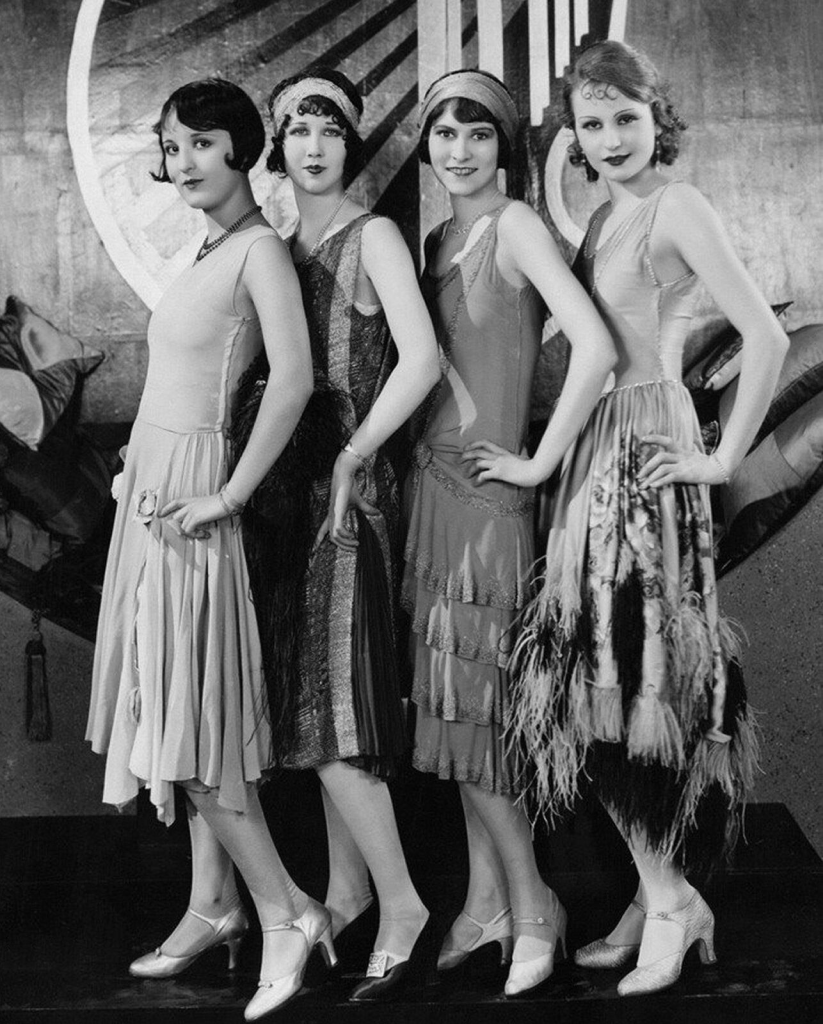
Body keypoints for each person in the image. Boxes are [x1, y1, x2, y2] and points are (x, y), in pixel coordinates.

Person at [466, 41, 789, 997]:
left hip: (643, 449)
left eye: (625, 119)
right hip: (595, 453)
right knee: (594, 684)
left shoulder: (676, 206)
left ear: (658, 120)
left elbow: (767, 337)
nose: (609, 138)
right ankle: (658, 899)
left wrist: (721, 458)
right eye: (591, 123)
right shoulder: (606, 213)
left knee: (628, 681)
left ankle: (671, 901)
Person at [85, 79, 330, 1023]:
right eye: (170, 145)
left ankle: (287, 912)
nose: (181, 161)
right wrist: (134, 465)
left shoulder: (260, 249)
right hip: (154, 494)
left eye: (198, 142)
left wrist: (228, 494)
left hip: (195, 502)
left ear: (240, 148)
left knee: (190, 727)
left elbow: (294, 380)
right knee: (173, 712)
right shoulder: (211, 246)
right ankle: (213, 904)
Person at [406, 69, 616, 998]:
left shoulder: (516, 225)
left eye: (478, 134)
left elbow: (594, 347)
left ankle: (535, 904)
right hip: (430, 490)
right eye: (444, 134)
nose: (459, 151)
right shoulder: (436, 237)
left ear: (503, 145)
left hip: (489, 503)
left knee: (480, 714)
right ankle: (484, 901)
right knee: (456, 713)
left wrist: (536, 464)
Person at [254, 67, 441, 1002]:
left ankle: (403, 904)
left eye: (329, 127)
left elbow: (423, 359)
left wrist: (354, 453)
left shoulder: (374, 237)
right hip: (289, 500)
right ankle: (347, 891)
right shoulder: (275, 247)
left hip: (354, 494)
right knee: (314, 705)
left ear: (350, 142)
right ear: (277, 146)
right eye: (298, 128)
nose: (314, 144)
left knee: (333, 708)